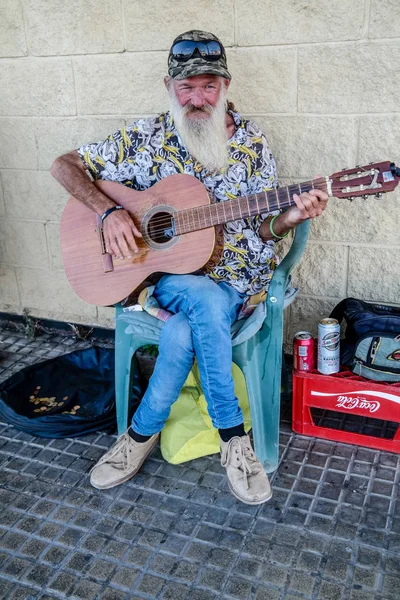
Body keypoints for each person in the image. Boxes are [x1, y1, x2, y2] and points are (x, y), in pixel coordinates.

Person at [51, 30, 328, 505]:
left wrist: (292, 216)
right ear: (169, 86)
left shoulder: (253, 147)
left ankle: (136, 439)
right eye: (187, 87)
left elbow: (263, 232)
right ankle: (234, 440)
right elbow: (64, 166)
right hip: (170, 281)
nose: (198, 98)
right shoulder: (146, 137)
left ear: (225, 87)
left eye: (209, 86)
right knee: (198, 295)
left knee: (184, 331)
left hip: (236, 283)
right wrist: (108, 211)